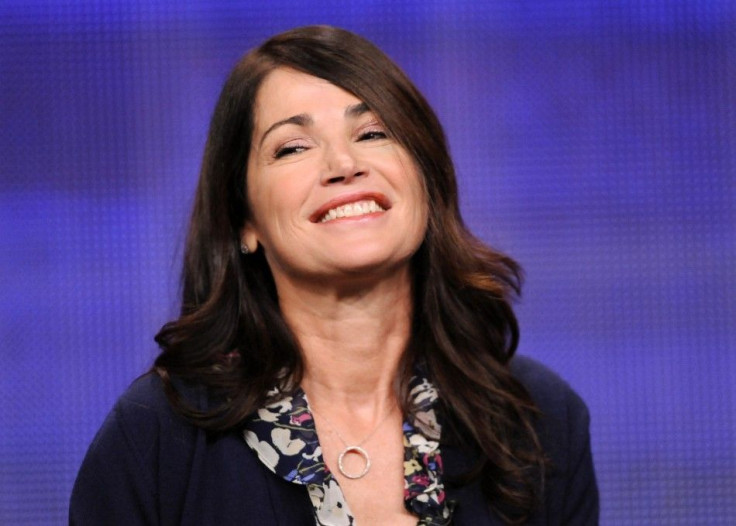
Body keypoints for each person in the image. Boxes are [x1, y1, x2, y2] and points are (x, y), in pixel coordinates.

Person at [70, 25, 598, 525]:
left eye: (372, 133)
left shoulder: (538, 419)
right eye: (293, 147)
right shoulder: (157, 436)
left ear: (425, 180)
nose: (343, 164)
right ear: (244, 220)